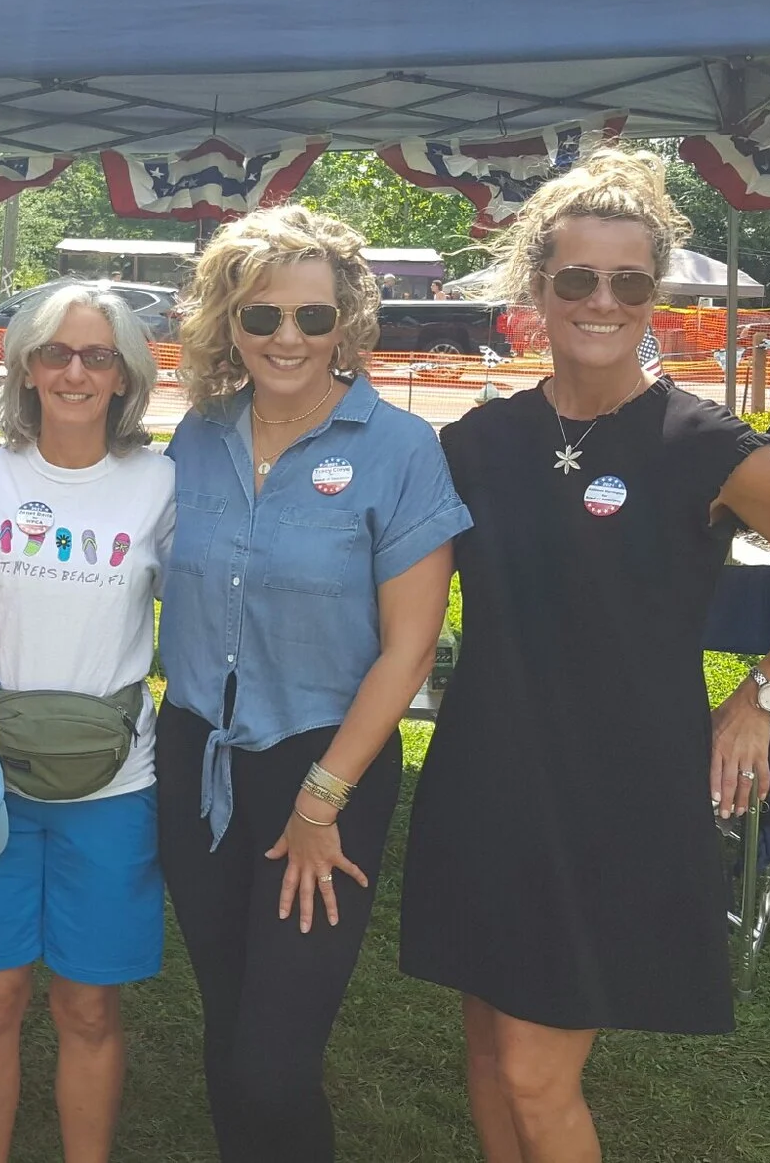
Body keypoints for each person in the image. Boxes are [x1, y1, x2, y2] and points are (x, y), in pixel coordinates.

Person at [400, 148, 770, 1163]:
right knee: (487, 1047)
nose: (602, 302)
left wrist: (761, 694)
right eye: (578, 278)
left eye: (629, 282)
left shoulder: (700, 443)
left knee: (536, 1073)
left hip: (618, 788)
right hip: (487, 773)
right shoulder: (477, 443)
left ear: (656, 294)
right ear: (539, 287)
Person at [156, 206, 470, 1163]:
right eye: (262, 316)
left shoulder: (400, 448)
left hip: (328, 764)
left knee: (273, 1062)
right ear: (229, 323)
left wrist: (320, 800)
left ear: (348, 322)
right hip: (196, 754)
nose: (286, 337)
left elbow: (409, 651)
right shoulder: (197, 436)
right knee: (228, 1020)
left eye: (312, 316)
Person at [0, 283, 174, 1163]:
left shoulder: (160, 484)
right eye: (55, 353)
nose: (74, 372)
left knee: (89, 1004)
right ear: (25, 367)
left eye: (97, 356)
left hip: (116, 783)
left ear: (124, 375)